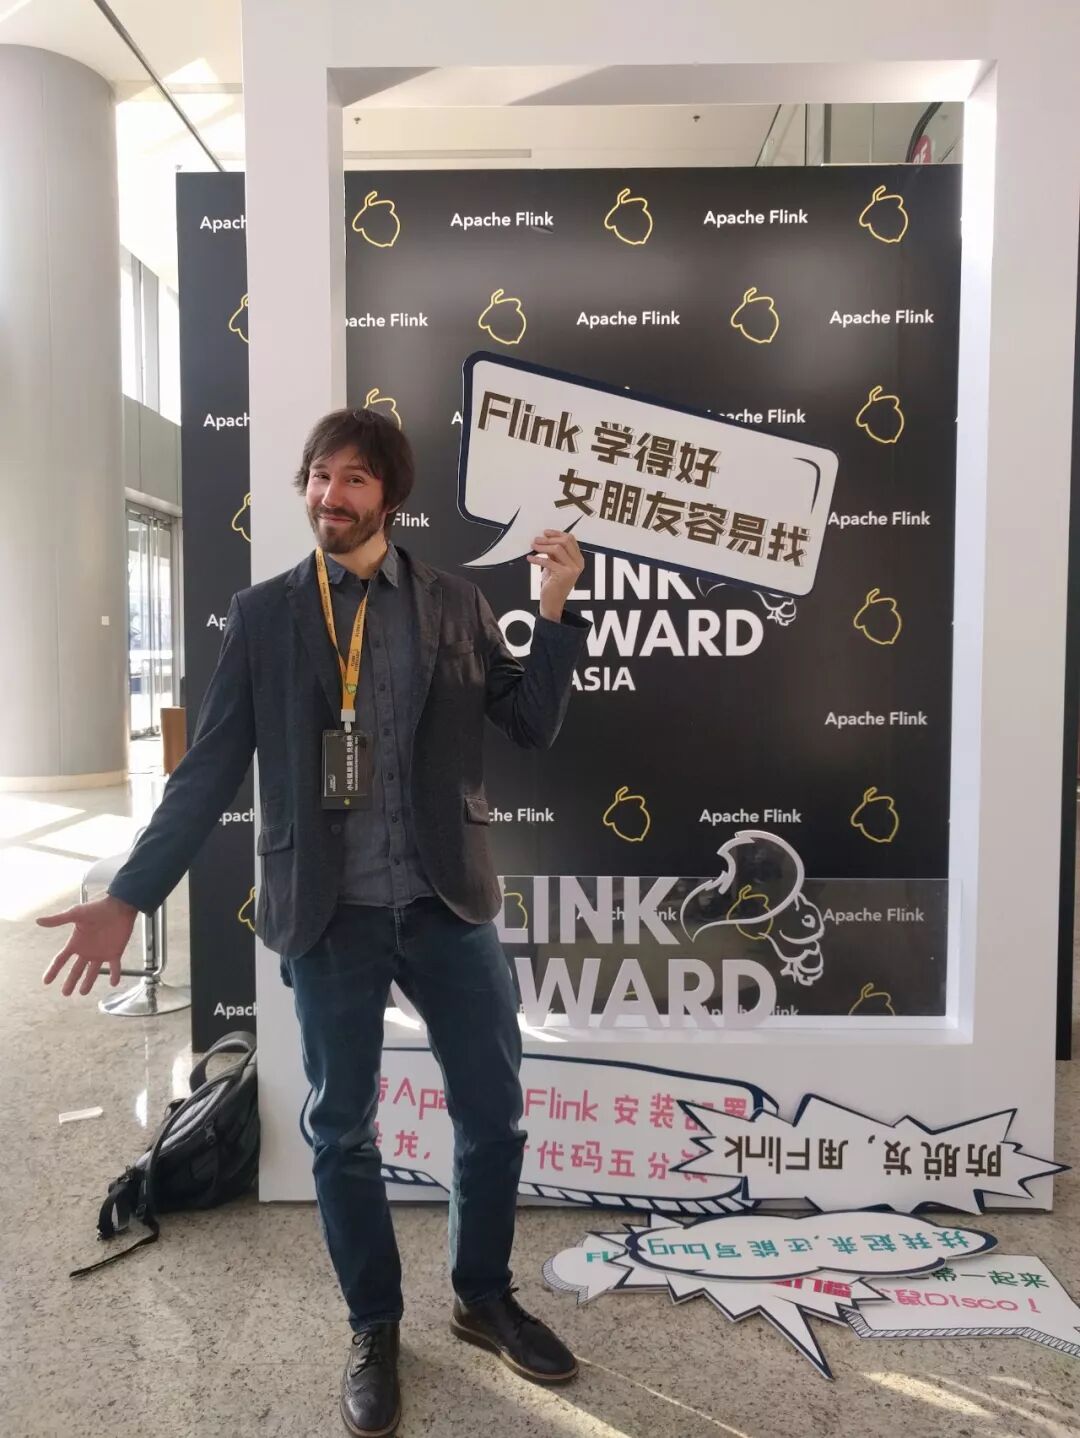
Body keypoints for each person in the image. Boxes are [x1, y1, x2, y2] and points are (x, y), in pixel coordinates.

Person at [40, 407, 589, 1438]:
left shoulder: (458, 604)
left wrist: (554, 607)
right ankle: (374, 1324)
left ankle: (482, 1295)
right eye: (317, 476)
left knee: (494, 1112)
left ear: (390, 496)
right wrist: (130, 893)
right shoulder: (266, 616)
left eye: (352, 480)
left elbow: (530, 722)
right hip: (329, 910)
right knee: (341, 1130)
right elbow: (209, 769)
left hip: (448, 900)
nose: (328, 496)